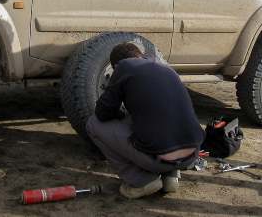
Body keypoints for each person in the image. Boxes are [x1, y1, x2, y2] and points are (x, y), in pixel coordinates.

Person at [86, 42, 204, 199]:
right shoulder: (166, 69)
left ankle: (142, 181)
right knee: (160, 118)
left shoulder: (124, 66)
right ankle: (170, 176)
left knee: (93, 124)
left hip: (159, 159)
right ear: (140, 55)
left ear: (116, 65)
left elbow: (102, 113)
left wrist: (120, 111)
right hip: (192, 154)